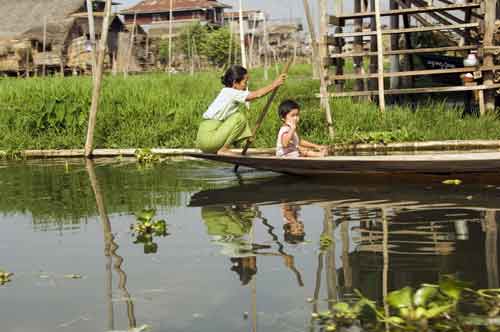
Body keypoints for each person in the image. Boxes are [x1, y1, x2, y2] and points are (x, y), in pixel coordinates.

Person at [197, 65, 287, 155]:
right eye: (245, 82)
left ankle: (232, 145)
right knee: (239, 118)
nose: (246, 86)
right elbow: (257, 95)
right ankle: (224, 149)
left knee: (236, 116)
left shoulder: (226, 92)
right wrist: (274, 84)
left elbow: (254, 98)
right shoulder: (230, 92)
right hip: (209, 138)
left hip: (202, 141)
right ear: (235, 83)